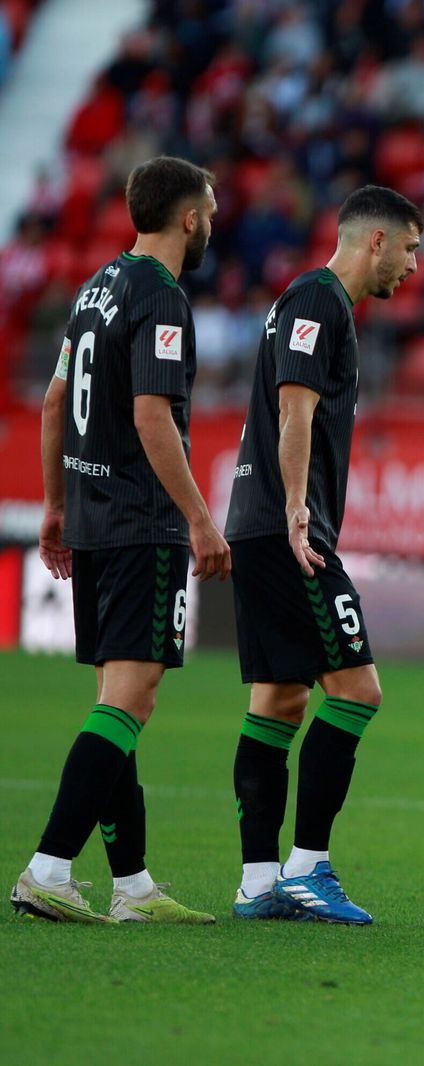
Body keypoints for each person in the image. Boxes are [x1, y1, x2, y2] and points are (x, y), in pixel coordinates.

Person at [12, 156, 226, 924]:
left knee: (116, 698)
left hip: (94, 520)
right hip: (142, 523)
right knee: (131, 699)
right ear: (189, 218)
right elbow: (149, 416)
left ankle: (132, 887)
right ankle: (47, 869)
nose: (215, 220)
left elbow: (52, 403)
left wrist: (54, 505)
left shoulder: (96, 285)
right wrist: (200, 517)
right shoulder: (162, 298)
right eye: (211, 207)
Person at [224, 186, 423, 924]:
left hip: (260, 524)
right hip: (287, 529)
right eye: (409, 248)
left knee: (278, 699)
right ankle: (307, 866)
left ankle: (256, 880)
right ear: (375, 240)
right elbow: (296, 405)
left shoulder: (302, 301)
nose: (411, 266)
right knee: (358, 690)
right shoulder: (319, 301)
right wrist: (299, 508)